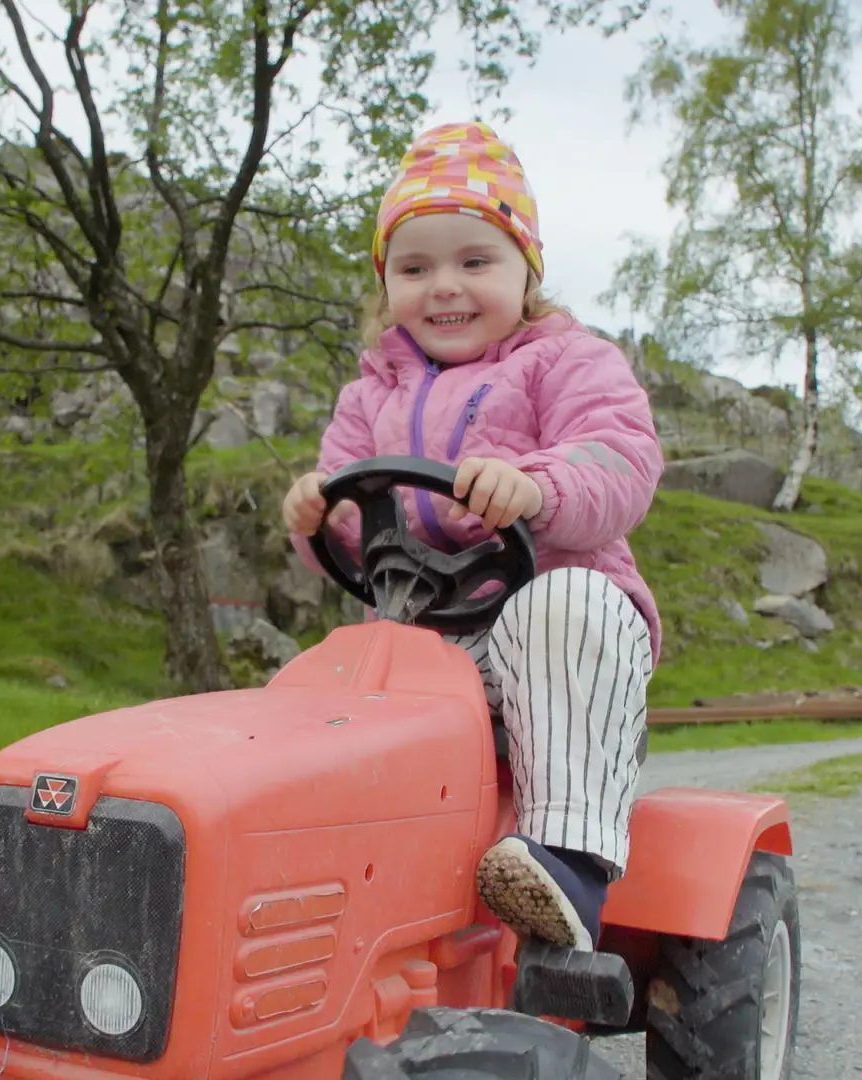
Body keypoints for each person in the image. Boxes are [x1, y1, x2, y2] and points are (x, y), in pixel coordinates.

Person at [281, 121, 664, 953]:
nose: (444, 286)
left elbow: (620, 458)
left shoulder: (566, 362)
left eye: (474, 261)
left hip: (552, 635)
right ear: (388, 287)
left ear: (526, 273)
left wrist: (538, 485)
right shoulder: (368, 394)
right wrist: (319, 519)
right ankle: (300, 892)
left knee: (562, 605)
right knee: (315, 680)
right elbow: (351, 538)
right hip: (425, 642)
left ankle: (567, 864)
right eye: (415, 268)